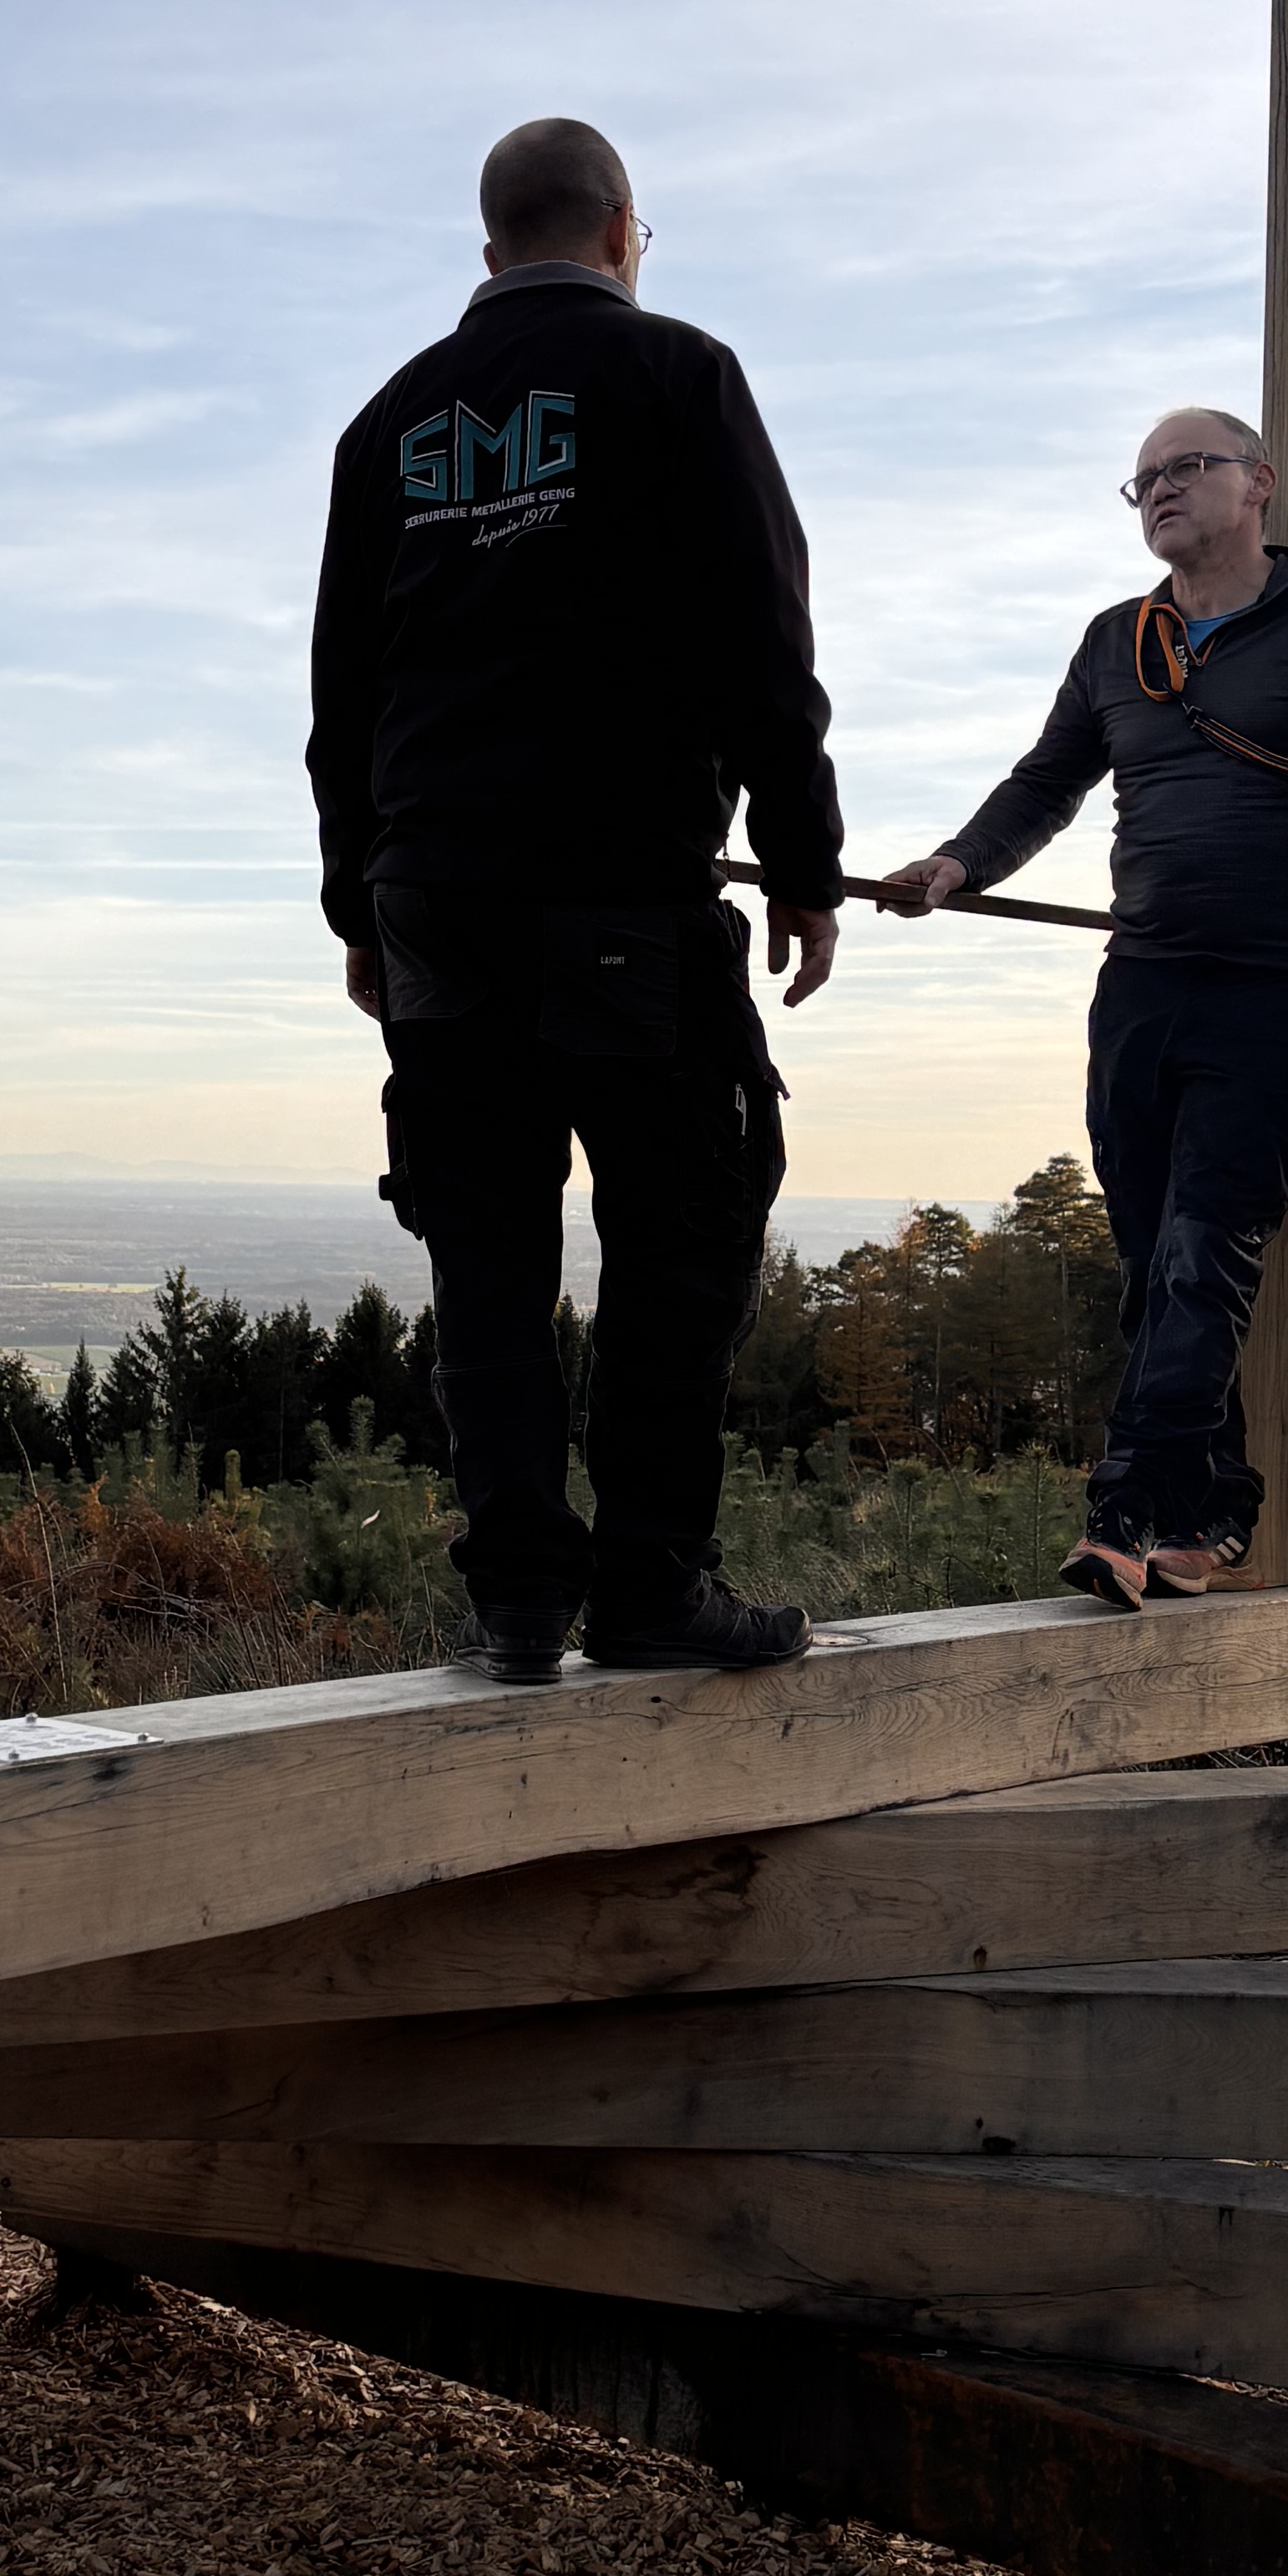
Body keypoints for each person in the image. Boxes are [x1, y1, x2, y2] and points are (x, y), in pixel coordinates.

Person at [308, 116, 844, 1682]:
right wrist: (804, 865)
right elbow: (764, 643)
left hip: (434, 905)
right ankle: (651, 1586)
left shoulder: (387, 423)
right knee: (682, 1236)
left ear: (490, 250)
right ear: (622, 231)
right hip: (623, 897)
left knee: (484, 1258)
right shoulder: (678, 375)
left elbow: (343, 700)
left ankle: (520, 1603)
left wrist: (358, 910)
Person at [870, 407, 1288, 1608]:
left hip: (1284, 989)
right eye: (1143, 482)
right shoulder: (1114, 641)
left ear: (1259, 483)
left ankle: (1122, 1515)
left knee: (1203, 1249)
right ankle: (1210, 1509)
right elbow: (1045, 783)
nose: (1162, 490)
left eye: (1188, 467)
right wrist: (958, 864)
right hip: (1141, 986)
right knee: (1152, 1262)